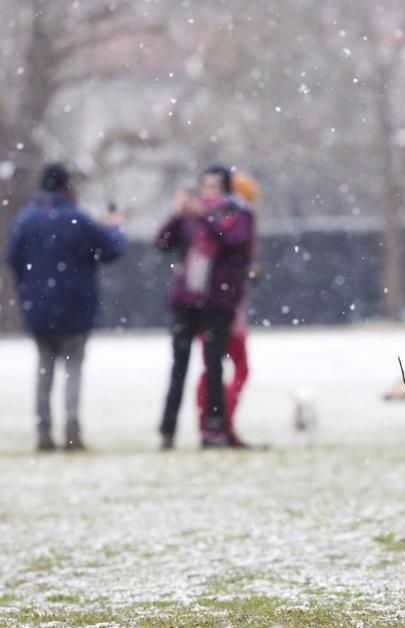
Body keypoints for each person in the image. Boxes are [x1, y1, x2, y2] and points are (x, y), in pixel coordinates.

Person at [5, 163, 126, 451]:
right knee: (74, 369)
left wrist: (30, 288)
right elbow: (110, 249)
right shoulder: (77, 220)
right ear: (66, 186)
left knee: (44, 370)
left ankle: (43, 433)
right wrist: (115, 227)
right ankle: (72, 430)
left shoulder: (26, 219)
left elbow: (12, 257)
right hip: (75, 307)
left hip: (37, 308)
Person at [156, 164, 254, 449]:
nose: (209, 192)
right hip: (187, 299)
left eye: (215, 186)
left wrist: (207, 218)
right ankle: (167, 429)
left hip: (217, 300)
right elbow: (162, 242)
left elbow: (235, 241)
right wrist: (177, 215)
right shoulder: (189, 218)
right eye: (205, 186)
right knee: (179, 365)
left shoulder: (236, 213)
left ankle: (214, 429)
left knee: (214, 365)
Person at [194, 172, 258, 446]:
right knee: (229, 367)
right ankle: (221, 423)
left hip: (206, 300)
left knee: (213, 367)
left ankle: (212, 423)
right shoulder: (233, 216)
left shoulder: (211, 217)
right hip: (222, 302)